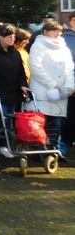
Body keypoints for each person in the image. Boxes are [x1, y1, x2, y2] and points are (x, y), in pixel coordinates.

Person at [25, 20, 74, 159]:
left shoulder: (63, 48)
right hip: (43, 90)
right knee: (41, 122)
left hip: (60, 92)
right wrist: (52, 84)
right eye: (54, 30)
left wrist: (70, 86)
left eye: (59, 31)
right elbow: (35, 67)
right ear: (46, 32)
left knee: (56, 122)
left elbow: (69, 68)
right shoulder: (38, 45)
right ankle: (40, 150)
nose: (58, 33)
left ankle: (54, 150)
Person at [0, 24, 29, 158]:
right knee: (1, 119)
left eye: (14, 36)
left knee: (9, 121)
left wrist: (23, 84)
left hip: (14, 92)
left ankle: (3, 145)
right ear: (1, 37)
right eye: (9, 36)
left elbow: (21, 72)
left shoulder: (15, 52)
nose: (12, 39)